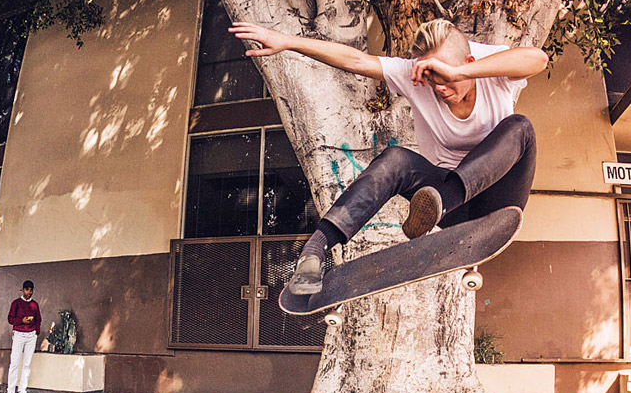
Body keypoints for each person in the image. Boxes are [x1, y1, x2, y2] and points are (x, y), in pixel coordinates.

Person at [228, 18, 548, 294]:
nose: (439, 89)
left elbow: (538, 59)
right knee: (395, 159)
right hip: (450, 208)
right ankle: (315, 250)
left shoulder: (488, 64)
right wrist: (286, 42)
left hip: (500, 199)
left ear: (467, 61)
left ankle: (442, 199)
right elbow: (355, 61)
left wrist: (463, 71)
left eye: (447, 79)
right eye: (433, 81)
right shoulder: (414, 74)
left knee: (519, 126)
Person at [4, 280, 41, 393]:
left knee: (27, 363)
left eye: (31, 290)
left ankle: (22, 389)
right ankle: (10, 390)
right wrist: (21, 320)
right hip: (19, 334)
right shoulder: (16, 303)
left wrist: (36, 332)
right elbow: (10, 319)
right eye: (27, 290)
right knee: (14, 362)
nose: (29, 292)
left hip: (31, 335)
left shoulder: (35, 305)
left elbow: (38, 320)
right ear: (22, 290)